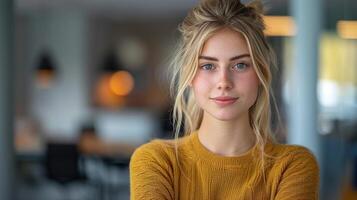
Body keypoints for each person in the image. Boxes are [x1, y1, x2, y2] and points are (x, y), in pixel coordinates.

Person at [129, 0, 320, 199]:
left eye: (240, 65)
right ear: (189, 76)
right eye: (208, 66)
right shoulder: (156, 161)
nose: (224, 82)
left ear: (261, 73)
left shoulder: (292, 165)